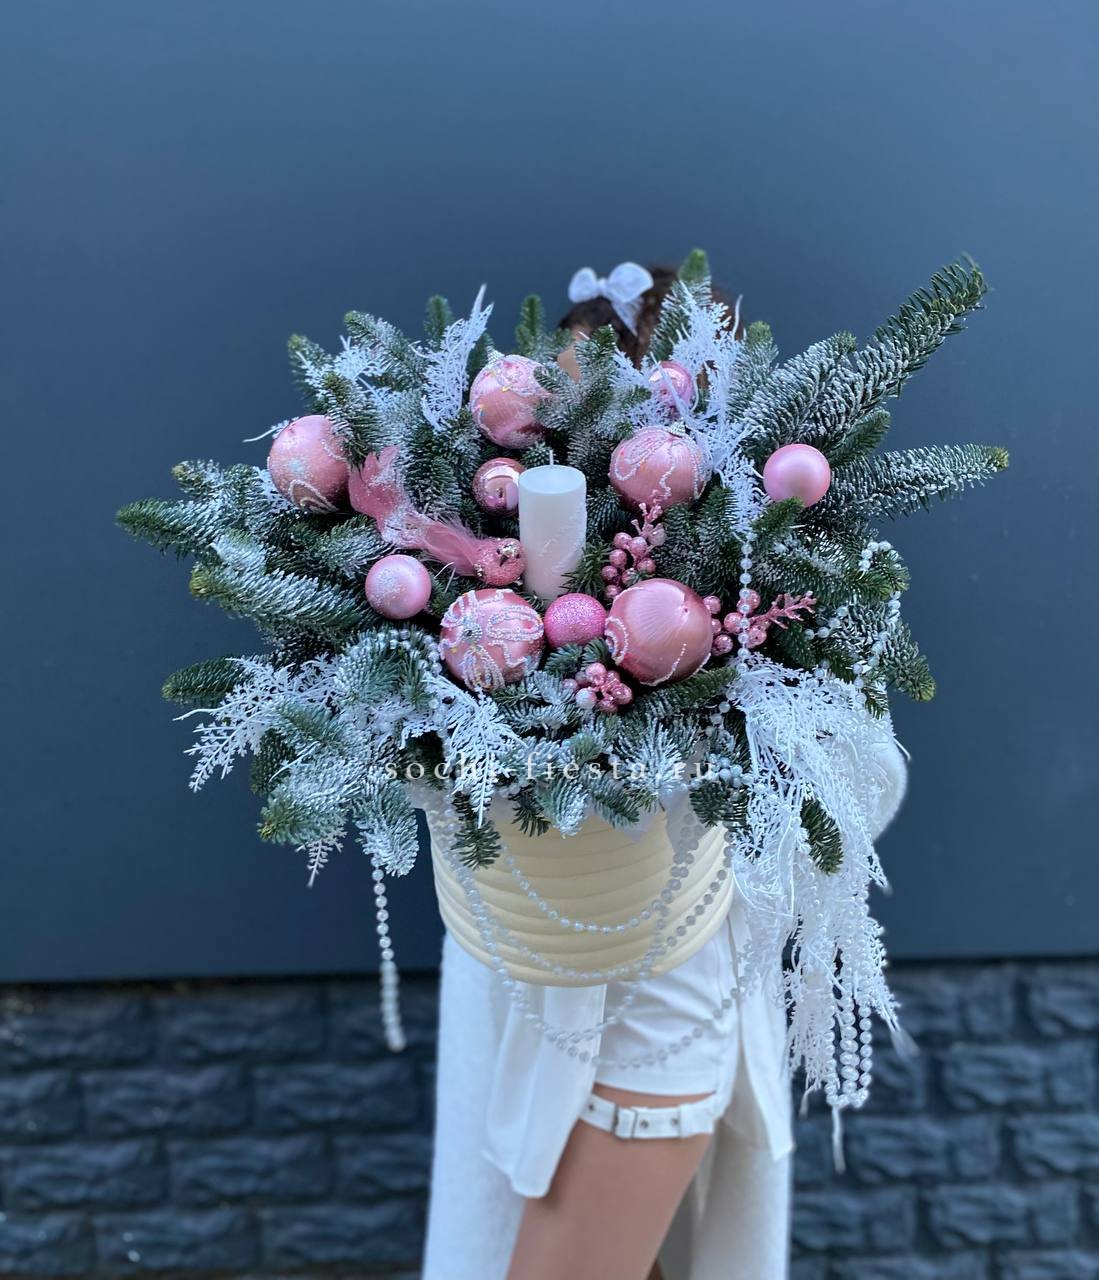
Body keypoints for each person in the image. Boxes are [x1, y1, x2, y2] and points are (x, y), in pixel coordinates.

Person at [421, 264, 907, 1280]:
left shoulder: (745, 591)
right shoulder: (514, 587)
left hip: (652, 1037)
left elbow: (860, 783)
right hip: (561, 1019)